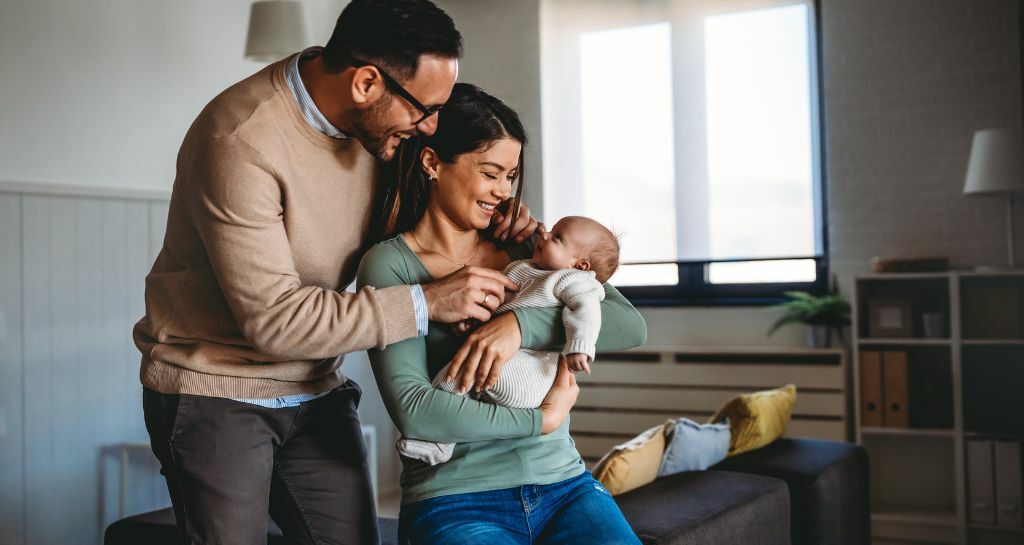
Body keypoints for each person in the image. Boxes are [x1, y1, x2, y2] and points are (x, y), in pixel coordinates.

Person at [133, 2, 544, 543]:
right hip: (217, 388)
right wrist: (426, 302)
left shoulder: (380, 130)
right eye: (426, 109)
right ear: (366, 83)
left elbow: (418, 215)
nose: (432, 128)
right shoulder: (240, 143)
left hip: (315, 387)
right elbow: (275, 322)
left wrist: (497, 225)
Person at [358, 83, 646, 545]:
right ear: (432, 162)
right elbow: (416, 411)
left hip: (565, 486)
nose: (502, 191)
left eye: (510, 176)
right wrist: (542, 420)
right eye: (491, 173)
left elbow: (630, 326)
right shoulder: (390, 264)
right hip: (455, 498)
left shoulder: (529, 249)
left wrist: (516, 325)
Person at [396, 216, 622, 465]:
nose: (544, 234)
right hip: (510, 365)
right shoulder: (523, 267)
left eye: (557, 238)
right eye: (551, 229)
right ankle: (442, 435)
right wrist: (472, 321)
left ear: (579, 265)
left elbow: (587, 311)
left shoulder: (573, 281)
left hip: (532, 376)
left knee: (463, 370)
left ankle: (437, 437)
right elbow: (497, 307)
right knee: (465, 371)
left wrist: (580, 347)